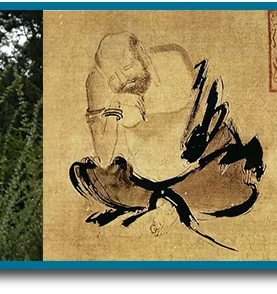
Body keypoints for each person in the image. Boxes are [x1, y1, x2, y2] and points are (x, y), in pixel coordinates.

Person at [70, 32, 266, 251]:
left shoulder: (172, 59)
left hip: (187, 158)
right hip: (139, 169)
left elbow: (185, 117)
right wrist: (114, 110)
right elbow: (105, 156)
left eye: (126, 69)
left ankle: (169, 199)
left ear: (143, 55)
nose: (123, 80)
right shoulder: (96, 84)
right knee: (92, 176)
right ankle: (167, 199)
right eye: (113, 78)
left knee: (231, 171)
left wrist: (141, 117)